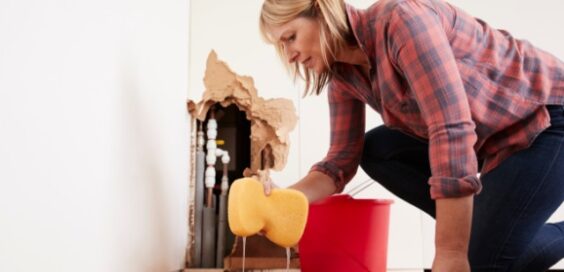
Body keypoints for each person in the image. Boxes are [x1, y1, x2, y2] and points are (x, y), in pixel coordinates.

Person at [258, 0, 564, 271]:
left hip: (547, 120)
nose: (290, 55)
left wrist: (450, 253)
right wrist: (282, 199)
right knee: (376, 149)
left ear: (322, 10)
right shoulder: (343, 77)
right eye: (280, 46)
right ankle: (479, 234)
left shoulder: (400, 22)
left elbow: (451, 129)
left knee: (476, 262)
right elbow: (339, 162)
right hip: (493, 140)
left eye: (290, 37)